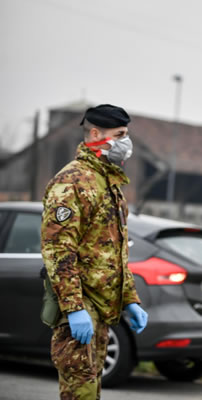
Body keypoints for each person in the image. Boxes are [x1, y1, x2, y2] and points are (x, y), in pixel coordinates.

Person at [41, 104, 148, 400]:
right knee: (80, 393)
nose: (126, 143)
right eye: (120, 135)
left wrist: (129, 300)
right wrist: (74, 308)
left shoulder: (109, 184)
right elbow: (58, 250)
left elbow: (115, 254)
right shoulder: (71, 181)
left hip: (102, 310)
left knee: (91, 389)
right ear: (96, 134)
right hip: (80, 308)